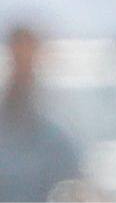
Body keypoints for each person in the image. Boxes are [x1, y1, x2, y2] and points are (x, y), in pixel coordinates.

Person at [0, 26, 82, 202]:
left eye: (28, 58)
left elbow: (73, 188)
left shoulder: (57, 135)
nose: (22, 68)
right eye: (17, 57)